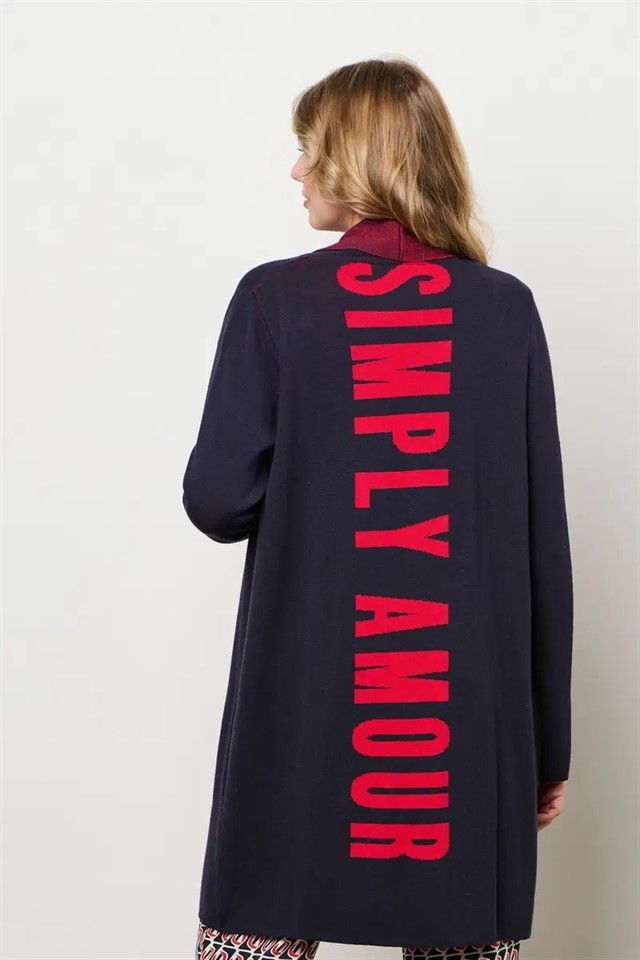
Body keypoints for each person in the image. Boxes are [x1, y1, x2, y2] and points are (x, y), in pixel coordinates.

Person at [183, 56, 573, 960]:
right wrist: (545, 746)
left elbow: (218, 499)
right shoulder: (505, 311)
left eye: (308, 149)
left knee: (257, 929)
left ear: (354, 159)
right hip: (461, 724)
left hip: (306, 706)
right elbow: (540, 551)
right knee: (462, 938)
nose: (296, 171)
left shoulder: (277, 299)